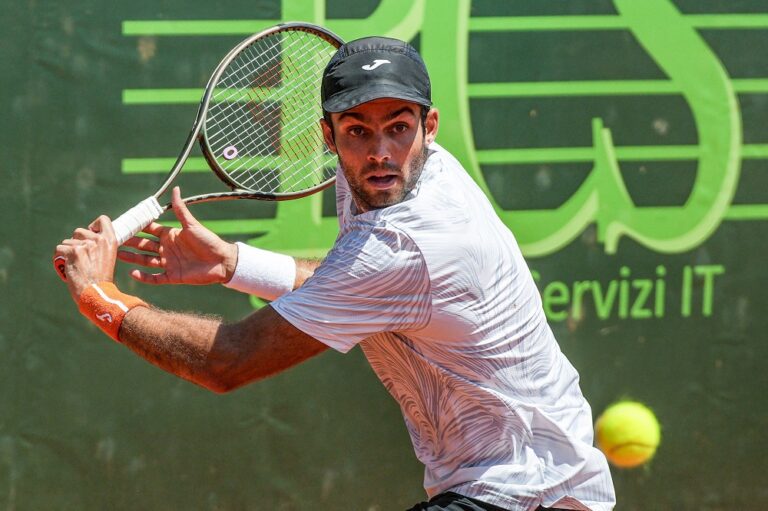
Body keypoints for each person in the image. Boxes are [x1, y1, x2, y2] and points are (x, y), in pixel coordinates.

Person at [55, 37, 616, 511]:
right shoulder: (404, 186)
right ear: (329, 136)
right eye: (357, 132)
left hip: (527, 491)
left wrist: (101, 297)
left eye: (399, 127)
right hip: (510, 481)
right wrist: (235, 264)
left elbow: (226, 361)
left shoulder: (408, 239)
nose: (380, 153)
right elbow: (355, 286)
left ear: (430, 125)